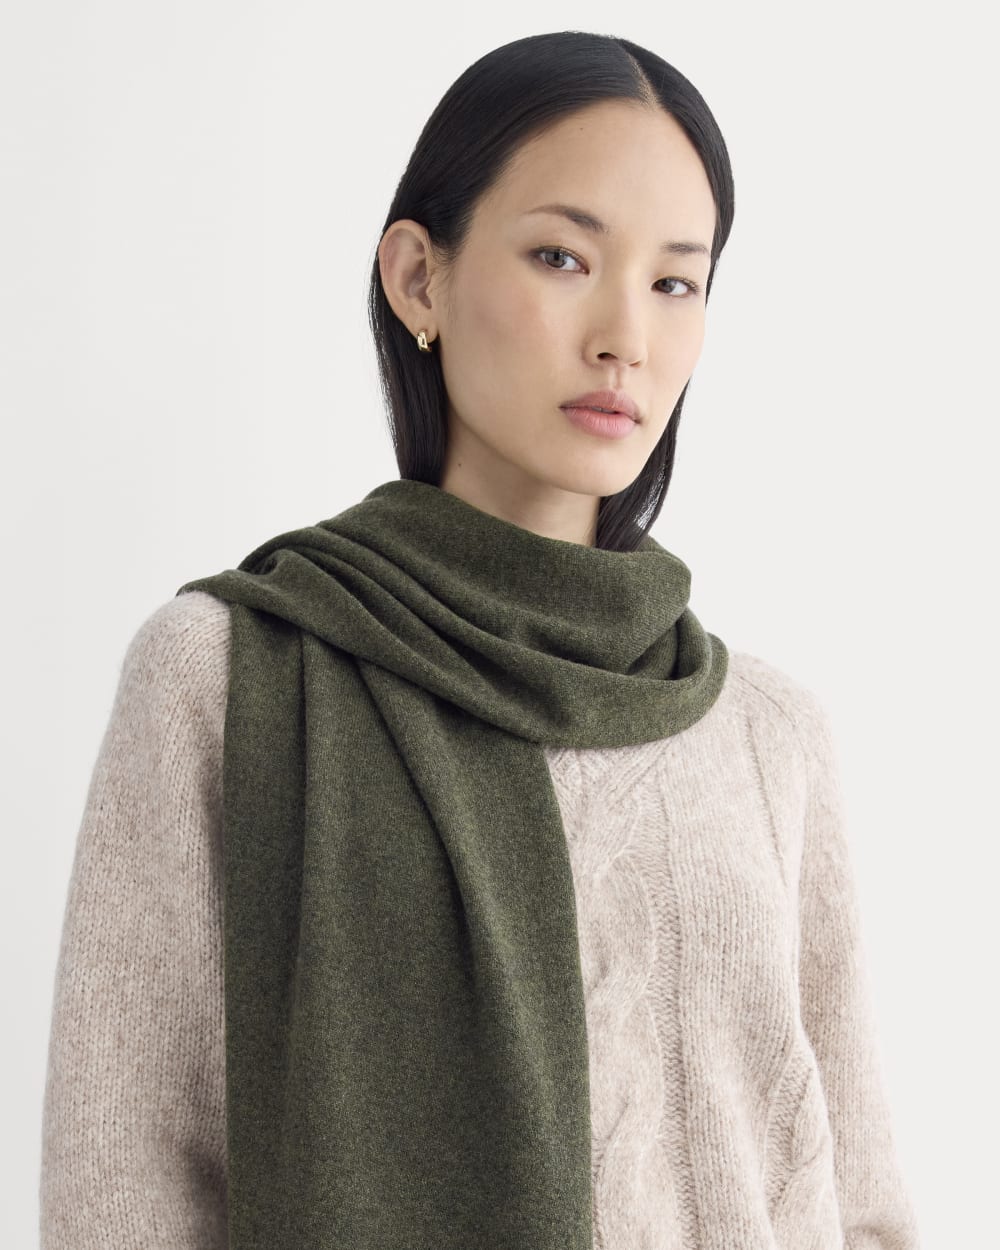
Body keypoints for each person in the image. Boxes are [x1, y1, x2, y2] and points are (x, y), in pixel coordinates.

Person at [39, 29, 922, 1250]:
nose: (624, 335)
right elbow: (119, 1188)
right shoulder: (227, 674)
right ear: (418, 278)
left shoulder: (768, 732)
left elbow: (863, 1200)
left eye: (675, 282)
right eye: (563, 256)